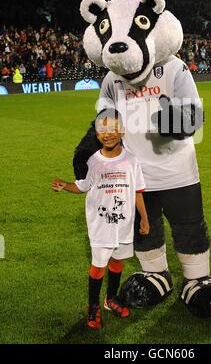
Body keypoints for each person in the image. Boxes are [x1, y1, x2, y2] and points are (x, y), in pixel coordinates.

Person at [52, 108, 149, 329]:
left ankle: (110, 299)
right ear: (97, 135)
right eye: (102, 130)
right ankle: (93, 306)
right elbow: (83, 186)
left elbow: (137, 191)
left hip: (124, 225)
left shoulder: (132, 160)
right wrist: (65, 186)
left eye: (112, 129)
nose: (108, 134)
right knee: (98, 266)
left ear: (122, 131)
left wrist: (144, 218)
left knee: (117, 262)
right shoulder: (94, 161)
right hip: (100, 226)